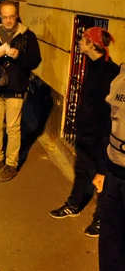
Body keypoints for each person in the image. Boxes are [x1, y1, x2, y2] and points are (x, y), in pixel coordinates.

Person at [49, 27, 119, 238]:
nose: (79, 42)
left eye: (83, 39)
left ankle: (101, 218)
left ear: (92, 44)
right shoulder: (90, 65)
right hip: (86, 133)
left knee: (102, 178)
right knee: (81, 171)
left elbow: (108, 109)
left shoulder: (110, 72)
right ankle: (74, 204)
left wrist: (104, 137)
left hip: (102, 136)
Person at [0, 0, 41, 182]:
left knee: (13, 128)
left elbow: (35, 61)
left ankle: (11, 164)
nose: (7, 21)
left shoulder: (27, 35)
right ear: (0, 16)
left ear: (17, 16)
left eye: (11, 17)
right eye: (4, 17)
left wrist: (19, 56)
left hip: (16, 87)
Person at [95, 62, 125, 269]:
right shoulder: (120, 76)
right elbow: (110, 125)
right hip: (114, 170)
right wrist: (102, 170)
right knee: (109, 241)